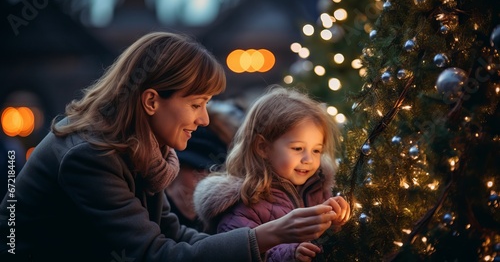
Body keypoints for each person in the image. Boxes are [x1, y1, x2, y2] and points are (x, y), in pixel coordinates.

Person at [0, 32, 341, 262]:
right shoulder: (90, 157)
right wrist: (269, 234)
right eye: (196, 104)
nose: (205, 119)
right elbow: (156, 254)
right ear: (151, 101)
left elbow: (174, 236)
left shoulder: (145, 151)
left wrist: (264, 236)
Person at [193, 85, 351, 262]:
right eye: (298, 148)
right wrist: (291, 255)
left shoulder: (318, 189)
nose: (309, 159)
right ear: (263, 147)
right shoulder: (245, 202)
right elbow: (241, 254)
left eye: (316, 151)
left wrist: (336, 223)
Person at [167, 100, 244, 230]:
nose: (204, 180)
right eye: (197, 169)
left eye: (213, 172)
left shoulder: (228, 220)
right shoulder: (149, 209)